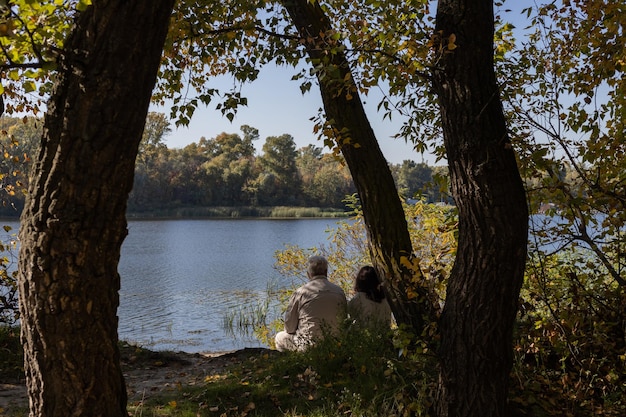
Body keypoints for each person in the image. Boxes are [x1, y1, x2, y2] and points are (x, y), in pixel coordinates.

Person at [274, 255, 347, 352]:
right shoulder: (339, 292)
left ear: (309, 274)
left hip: (308, 346)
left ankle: (292, 363)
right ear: (326, 272)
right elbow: (344, 320)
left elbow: (289, 328)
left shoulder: (300, 293)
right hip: (335, 344)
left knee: (279, 337)